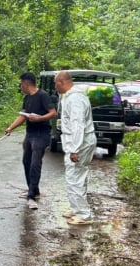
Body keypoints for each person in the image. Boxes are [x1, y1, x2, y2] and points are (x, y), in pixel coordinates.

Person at [4, 72, 57, 210]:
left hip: (42, 134)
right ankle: (34, 189)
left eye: (21, 84)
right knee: (26, 161)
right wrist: (11, 128)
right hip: (30, 133)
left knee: (35, 163)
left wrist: (39, 118)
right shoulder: (27, 98)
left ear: (26, 83)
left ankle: (31, 196)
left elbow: (53, 113)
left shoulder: (43, 96)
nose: (20, 86)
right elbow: (22, 116)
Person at [53, 70, 97, 225]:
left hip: (80, 142)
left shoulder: (75, 99)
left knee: (74, 177)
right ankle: (76, 207)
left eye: (55, 83)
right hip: (78, 141)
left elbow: (77, 125)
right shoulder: (69, 97)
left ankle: (83, 215)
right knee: (78, 175)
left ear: (61, 82)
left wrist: (75, 149)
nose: (55, 87)